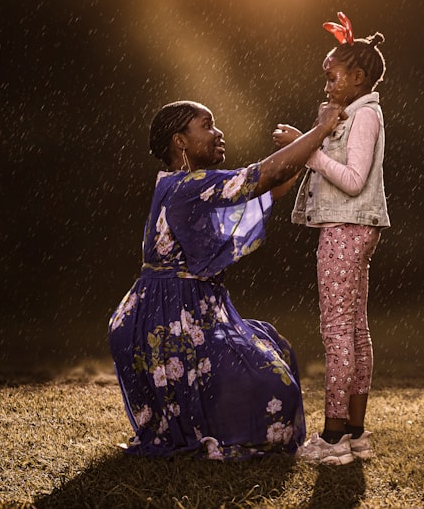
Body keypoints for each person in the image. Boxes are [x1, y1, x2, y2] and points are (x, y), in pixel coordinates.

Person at [108, 98, 345, 460]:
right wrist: (322, 129)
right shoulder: (188, 186)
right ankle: (214, 430)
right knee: (273, 387)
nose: (218, 133)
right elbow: (264, 175)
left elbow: (271, 186)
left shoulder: (187, 184)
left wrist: (307, 150)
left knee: (272, 349)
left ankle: (214, 423)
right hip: (166, 318)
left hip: (176, 310)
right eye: (207, 125)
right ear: (180, 141)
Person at [272, 12, 390, 465]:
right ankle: (356, 435)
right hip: (353, 230)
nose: (326, 85)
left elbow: (354, 179)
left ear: (358, 77)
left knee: (338, 332)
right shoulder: (359, 114)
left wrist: (309, 147)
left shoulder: (365, 118)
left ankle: (334, 438)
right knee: (355, 331)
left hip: (345, 230)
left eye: (333, 76)